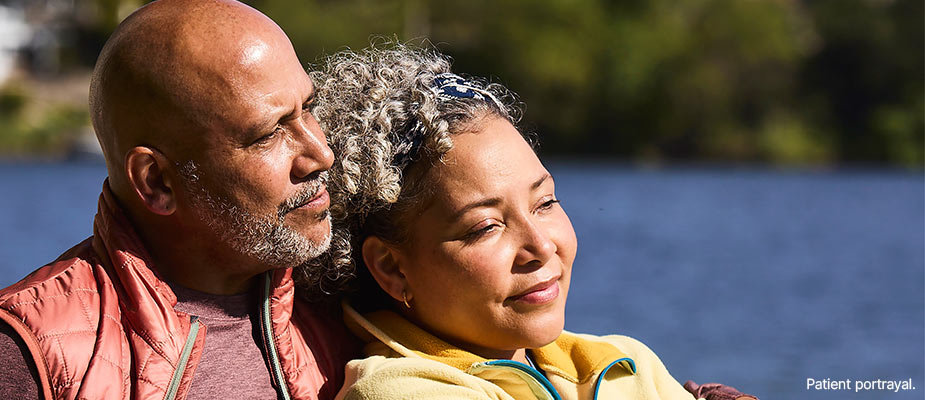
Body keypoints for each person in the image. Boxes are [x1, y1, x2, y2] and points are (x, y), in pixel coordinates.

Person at [307, 44, 757, 399]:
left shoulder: (625, 361)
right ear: (390, 266)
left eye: (545, 203)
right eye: (485, 227)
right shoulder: (398, 391)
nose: (541, 247)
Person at [0, 0, 358, 399]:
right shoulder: (27, 352)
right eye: (268, 134)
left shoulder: (354, 299)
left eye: (307, 108)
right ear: (156, 182)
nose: (321, 154)